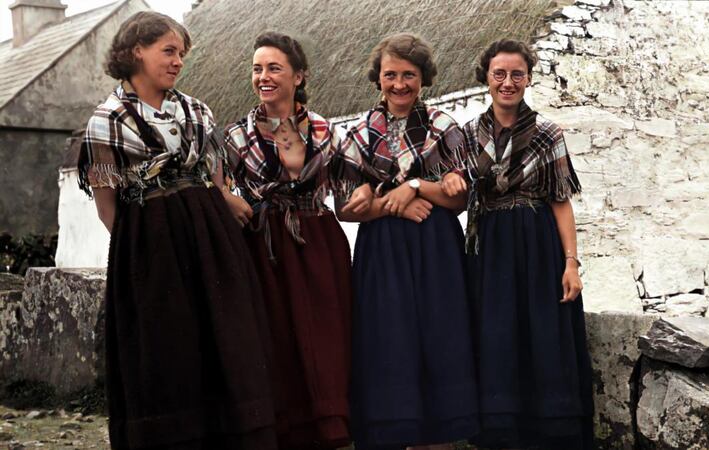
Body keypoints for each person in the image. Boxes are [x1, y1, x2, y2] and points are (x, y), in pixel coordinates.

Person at [77, 12, 276, 449]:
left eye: (181, 54)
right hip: (151, 251)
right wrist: (144, 256)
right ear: (136, 52)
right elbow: (108, 207)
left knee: (227, 342)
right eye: (169, 51)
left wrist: (212, 217)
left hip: (211, 244)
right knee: (168, 350)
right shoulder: (106, 121)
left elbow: (215, 181)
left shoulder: (197, 112)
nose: (178, 62)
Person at [332, 32, 479, 450]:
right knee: (389, 343)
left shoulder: (444, 126)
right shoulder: (358, 132)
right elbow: (344, 208)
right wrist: (395, 204)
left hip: (436, 249)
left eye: (409, 75)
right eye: (390, 74)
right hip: (382, 252)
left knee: (440, 339)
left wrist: (413, 186)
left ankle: (441, 440)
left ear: (424, 78)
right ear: (377, 78)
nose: (400, 84)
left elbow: (461, 197)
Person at [458, 38, 594, 449]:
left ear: (528, 78)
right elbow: (452, 187)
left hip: (537, 246)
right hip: (489, 248)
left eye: (517, 74)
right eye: (499, 74)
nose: (508, 82)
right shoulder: (466, 135)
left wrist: (571, 263)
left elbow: (560, 201)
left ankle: (551, 434)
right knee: (496, 337)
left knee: (543, 335)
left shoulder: (548, 133)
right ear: (486, 78)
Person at [223, 31, 352, 450]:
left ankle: (331, 427)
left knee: (327, 335)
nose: (264, 76)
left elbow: (352, 194)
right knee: (275, 336)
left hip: (319, 240)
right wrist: (228, 198)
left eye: (274, 68)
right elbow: (213, 189)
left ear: (299, 76)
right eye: (257, 68)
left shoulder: (327, 131)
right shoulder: (234, 138)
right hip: (265, 246)